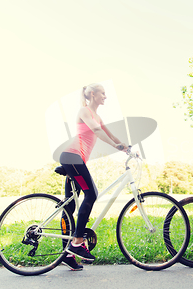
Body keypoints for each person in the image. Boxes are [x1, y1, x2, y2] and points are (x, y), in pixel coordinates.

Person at [59, 83, 127, 270]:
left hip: (76, 160)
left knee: (70, 205)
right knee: (91, 194)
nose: (105, 96)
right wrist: (117, 147)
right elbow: (96, 131)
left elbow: (108, 134)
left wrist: (124, 146)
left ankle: (67, 255)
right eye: (103, 93)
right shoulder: (85, 111)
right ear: (93, 94)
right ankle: (77, 242)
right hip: (72, 157)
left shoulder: (98, 116)